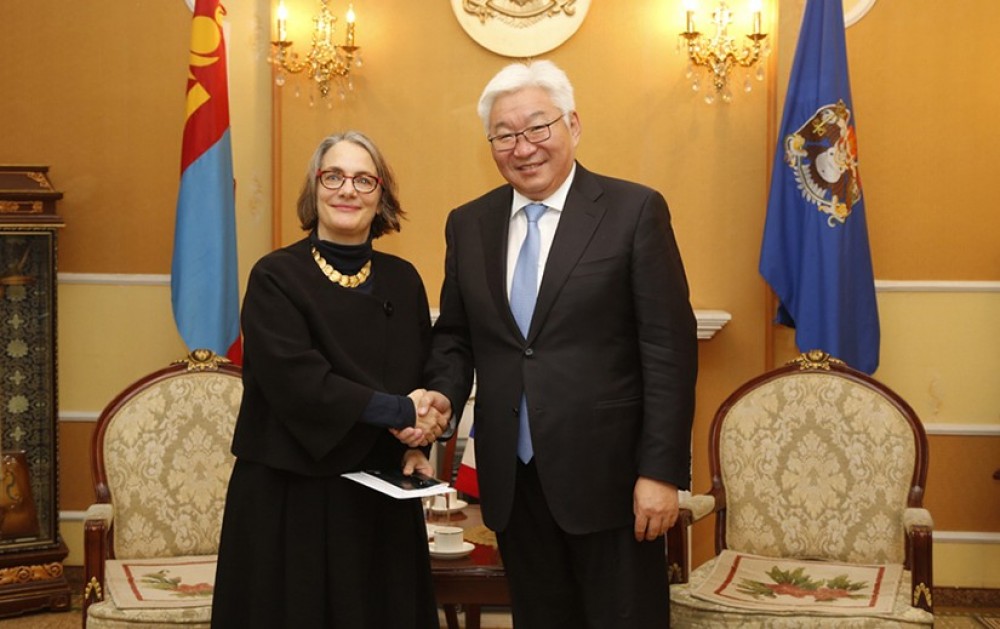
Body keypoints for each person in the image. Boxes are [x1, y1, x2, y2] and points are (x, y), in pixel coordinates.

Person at [422, 60, 699, 628]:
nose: (522, 147)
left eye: (537, 127)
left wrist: (661, 472)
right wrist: (441, 399)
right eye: (504, 135)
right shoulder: (468, 224)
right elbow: (456, 336)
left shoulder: (634, 211)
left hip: (615, 484)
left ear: (572, 124)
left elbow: (669, 352)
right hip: (514, 482)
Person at [212, 130, 447, 628]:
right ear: (314, 188)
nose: (347, 190)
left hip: (379, 494)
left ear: (381, 195)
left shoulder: (403, 279)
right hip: (290, 495)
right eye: (333, 176)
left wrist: (417, 444)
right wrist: (403, 412)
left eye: (363, 180)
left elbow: (420, 373)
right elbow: (299, 383)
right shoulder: (275, 276)